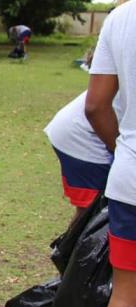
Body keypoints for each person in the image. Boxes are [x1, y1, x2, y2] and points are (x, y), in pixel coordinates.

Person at [85, 0, 136, 307]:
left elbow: (96, 105)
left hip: (131, 181)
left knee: (126, 296)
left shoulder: (121, 17)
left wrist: (123, 152)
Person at [44, 91, 118, 225]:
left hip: (83, 129)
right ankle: (73, 245)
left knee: (98, 209)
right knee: (95, 210)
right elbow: (95, 109)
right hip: (83, 136)